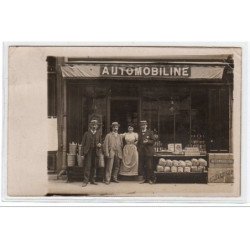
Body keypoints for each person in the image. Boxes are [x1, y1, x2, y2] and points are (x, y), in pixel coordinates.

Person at [81, 120, 102, 187]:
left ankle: (92, 180)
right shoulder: (86, 134)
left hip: (95, 152)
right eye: (93, 125)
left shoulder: (98, 133)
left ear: (97, 126)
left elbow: (100, 142)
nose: (94, 126)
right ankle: (85, 181)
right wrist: (82, 154)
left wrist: (99, 144)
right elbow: (83, 145)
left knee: (94, 166)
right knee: (87, 166)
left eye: (95, 125)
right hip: (88, 152)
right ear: (90, 126)